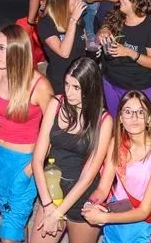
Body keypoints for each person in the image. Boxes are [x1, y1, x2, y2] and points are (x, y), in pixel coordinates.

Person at [0, 25, 54, 243]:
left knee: (8, 234)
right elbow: (0, 112)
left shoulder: (39, 86)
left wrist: (33, 166)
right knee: (10, 218)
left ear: (18, 50)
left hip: (23, 164)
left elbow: (54, 130)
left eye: (2, 48)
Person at [31, 58, 113, 243]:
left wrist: (57, 214)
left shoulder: (103, 120)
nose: (69, 92)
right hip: (53, 189)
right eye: (67, 84)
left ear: (90, 88)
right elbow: (37, 160)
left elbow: (88, 176)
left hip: (82, 196)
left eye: (76, 87)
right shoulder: (56, 104)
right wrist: (47, 205)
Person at [81, 90, 151, 242]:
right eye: (128, 112)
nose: (134, 118)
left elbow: (144, 210)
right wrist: (91, 203)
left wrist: (105, 217)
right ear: (121, 118)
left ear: (149, 118)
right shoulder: (116, 143)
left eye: (140, 112)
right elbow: (103, 188)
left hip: (141, 227)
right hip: (116, 215)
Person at [98, 0, 151, 116]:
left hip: (136, 88)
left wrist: (128, 52)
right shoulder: (118, 13)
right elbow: (104, 25)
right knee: (115, 123)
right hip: (110, 82)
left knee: (134, 127)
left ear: (136, 0)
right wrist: (104, 29)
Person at [38, 0, 87, 96]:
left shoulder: (78, 19)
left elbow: (83, 45)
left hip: (81, 78)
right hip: (61, 83)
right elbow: (64, 52)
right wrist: (73, 20)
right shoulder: (46, 23)